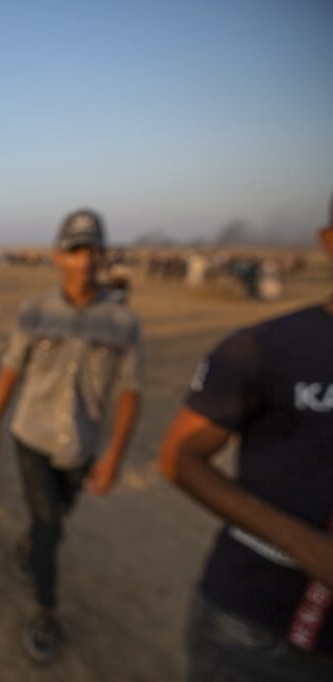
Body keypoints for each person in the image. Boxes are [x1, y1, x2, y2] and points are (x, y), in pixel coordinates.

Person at [156, 212, 333, 681]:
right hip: (257, 628)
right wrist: (308, 547)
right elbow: (181, 457)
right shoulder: (267, 347)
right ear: (329, 240)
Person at [0, 209, 144, 663]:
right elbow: (11, 368)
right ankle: (46, 612)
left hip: (83, 447)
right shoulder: (34, 312)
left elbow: (130, 391)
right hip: (32, 436)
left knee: (55, 519)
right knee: (51, 527)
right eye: (75, 250)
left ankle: (31, 543)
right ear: (58, 257)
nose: (84, 260)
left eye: (93, 250)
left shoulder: (123, 324)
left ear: (104, 257)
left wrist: (112, 458)